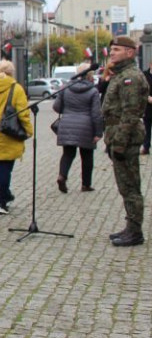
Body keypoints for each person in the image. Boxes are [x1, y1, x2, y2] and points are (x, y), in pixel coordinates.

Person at [102, 36, 150, 247]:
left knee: (130, 186)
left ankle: (135, 230)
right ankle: (131, 226)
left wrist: (119, 142)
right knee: (125, 186)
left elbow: (130, 114)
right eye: (112, 50)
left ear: (130, 52)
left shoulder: (131, 77)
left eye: (118, 50)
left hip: (126, 136)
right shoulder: (120, 75)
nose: (112, 53)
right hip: (116, 133)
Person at [0, 60, 33, 214]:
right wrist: (29, 130)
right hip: (9, 133)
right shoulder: (16, 88)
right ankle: (1, 201)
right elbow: (23, 112)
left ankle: (5, 194)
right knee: (6, 168)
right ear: (12, 72)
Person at [52, 64, 103, 194]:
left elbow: (56, 107)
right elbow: (96, 113)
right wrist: (98, 132)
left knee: (68, 153)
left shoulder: (66, 88)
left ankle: (62, 176)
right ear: (90, 75)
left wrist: (68, 112)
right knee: (87, 155)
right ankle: (86, 184)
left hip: (67, 123)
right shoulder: (93, 91)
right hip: (86, 126)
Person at [142, 58, 152, 156]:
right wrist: (147, 97)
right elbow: (141, 89)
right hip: (148, 106)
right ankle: (146, 147)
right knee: (147, 128)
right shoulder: (144, 75)